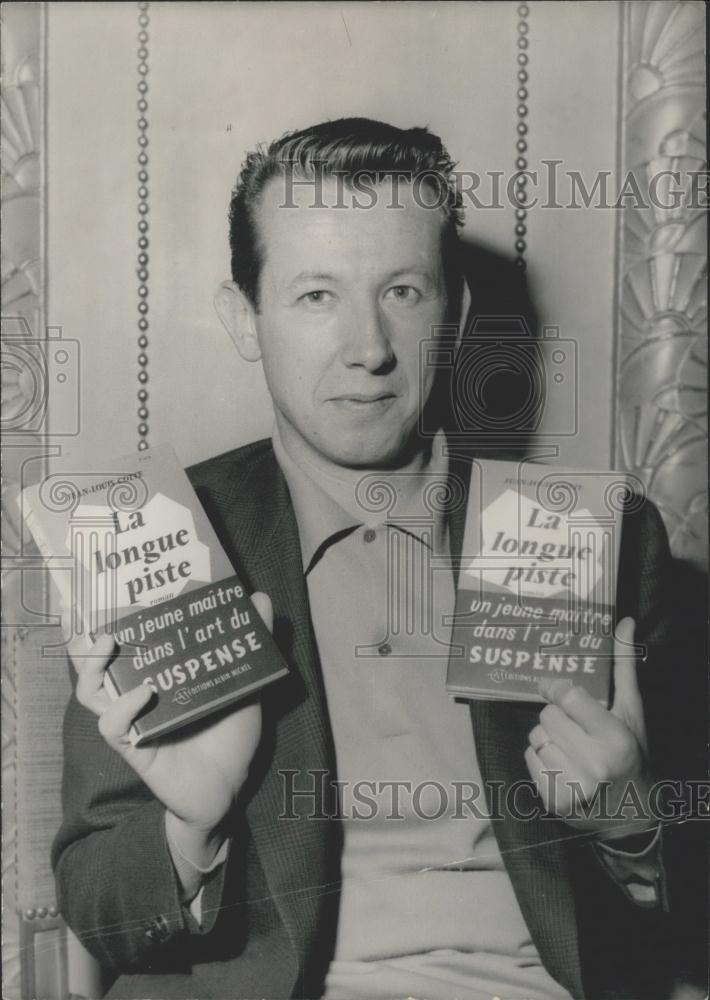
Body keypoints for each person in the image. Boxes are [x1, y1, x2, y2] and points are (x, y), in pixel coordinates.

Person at [53, 119, 675, 1000]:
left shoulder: (589, 537)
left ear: (454, 315)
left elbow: (681, 909)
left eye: (404, 292)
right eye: (316, 295)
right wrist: (190, 830)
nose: (370, 348)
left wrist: (633, 823)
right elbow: (100, 910)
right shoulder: (161, 542)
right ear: (246, 317)